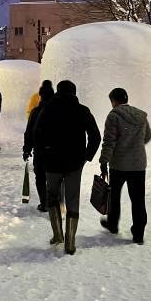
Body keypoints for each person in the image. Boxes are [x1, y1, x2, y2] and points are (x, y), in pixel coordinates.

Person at [35, 80, 101, 255]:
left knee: (52, 196)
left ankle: (57, 235)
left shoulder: (47, 109)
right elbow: (95, 136)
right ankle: (70, 242)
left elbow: (37, 134)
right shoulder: (82, 110)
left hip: (52, 163)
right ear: (74, 92)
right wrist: (86, 157)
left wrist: (44, 153)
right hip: (74, 163)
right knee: (72, 199)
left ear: (58, 91)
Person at [99, 88, 151, 245]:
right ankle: (138, 233)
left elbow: (109, 141)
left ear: (114, 101)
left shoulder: (114, 116)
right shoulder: (141, 116)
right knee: (138, 200)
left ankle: (113, 224)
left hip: (119, 165)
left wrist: (104, 161)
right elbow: (147, 136)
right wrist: (134, 146)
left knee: (114, 196)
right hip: (138, 165)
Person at [22, 80, 54, 212]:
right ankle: (54, 202)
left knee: (40, 177)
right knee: (54, 177)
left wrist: (27, 149)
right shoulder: (58, 111)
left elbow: (29, 131)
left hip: (40, 151)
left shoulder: (36, 112)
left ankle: (44, 202)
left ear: (40, 96)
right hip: (55, 151)